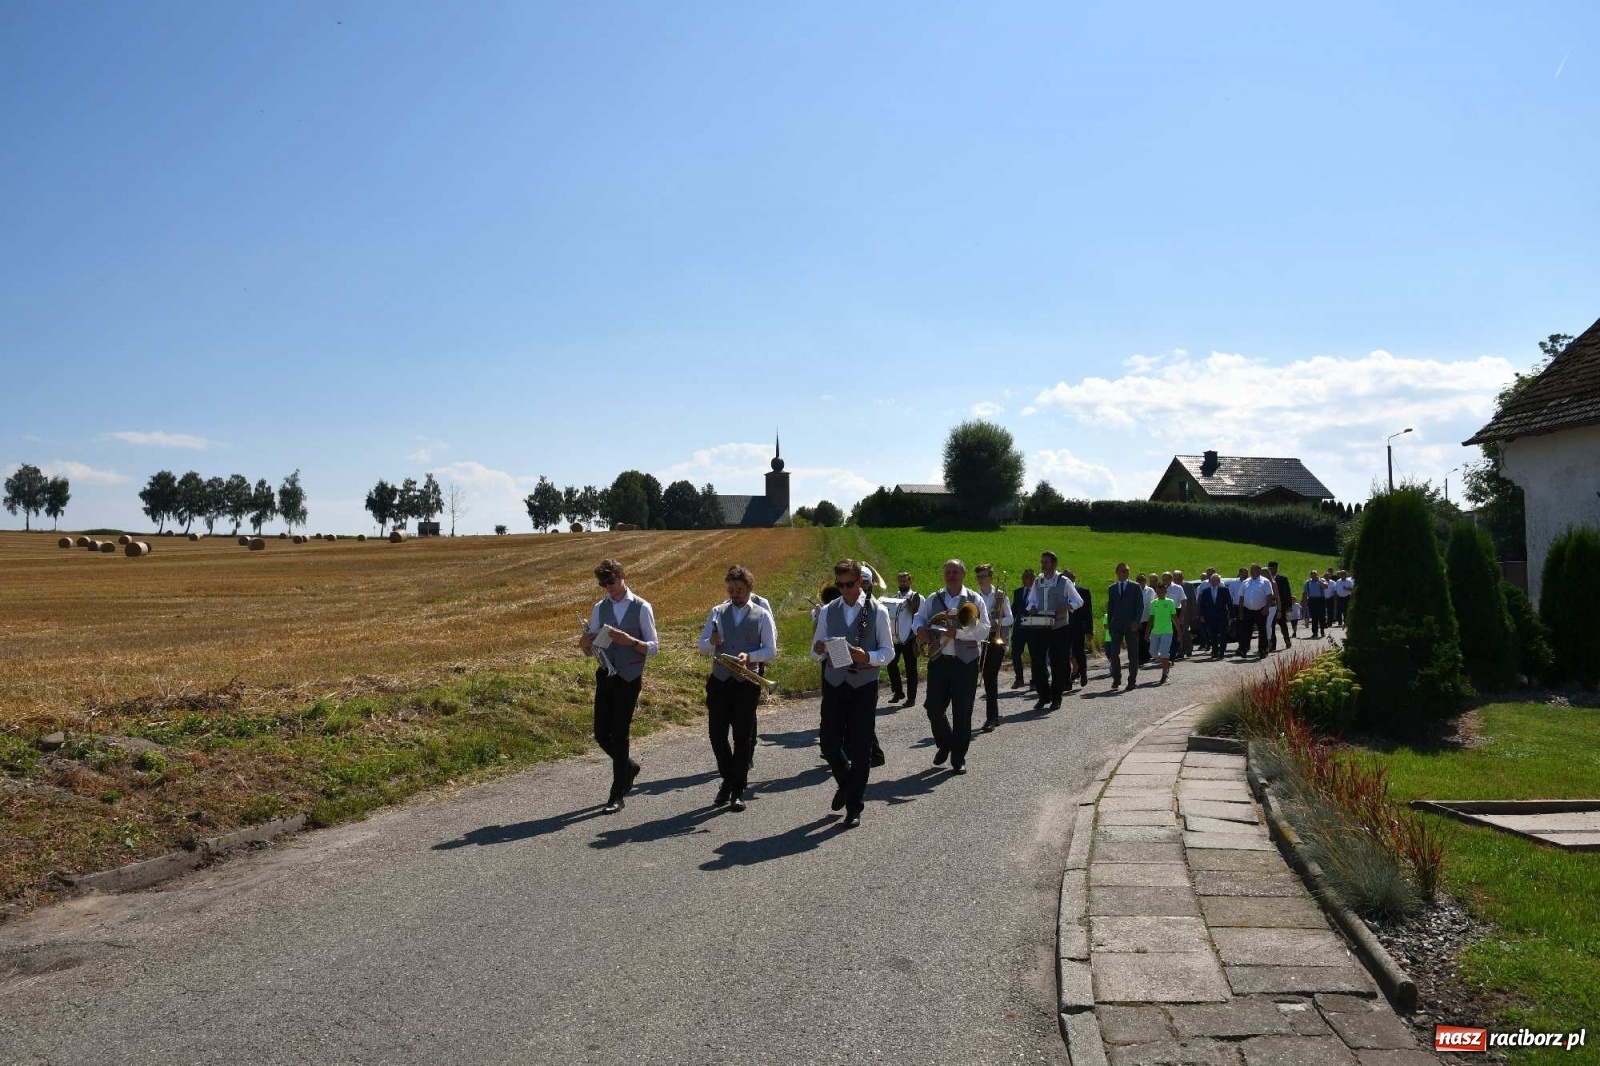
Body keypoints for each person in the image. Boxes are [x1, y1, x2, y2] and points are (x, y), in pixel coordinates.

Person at [809, 559, 894, 829]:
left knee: (860, 747)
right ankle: (847, 783)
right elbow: (814, 651)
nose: (844, 590)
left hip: (864, 685)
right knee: (828, 744)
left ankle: (854, 806)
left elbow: (888, 653)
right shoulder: (828, 611)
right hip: (834, 682)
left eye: (849, 584)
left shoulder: (878, 611)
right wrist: (819, 649)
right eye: (840, 585)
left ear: (860, 582)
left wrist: (866, 656)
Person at [579, 558, 660, 813]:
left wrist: (630, 641)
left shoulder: (642, 607)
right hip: (606, 674)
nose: (608, 587)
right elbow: (592, 648)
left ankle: (617, 793)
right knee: (601, 734)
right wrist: (584, 645)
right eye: (603, 584)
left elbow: (654, 647)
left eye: (611, 581)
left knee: (619, 733)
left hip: (630, 676)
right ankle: (629, 767)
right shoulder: (599, 608)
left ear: (623, 575)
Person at [697, 564, 777, 811]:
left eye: (739, 590)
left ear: (749, 589)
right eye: (731, 590)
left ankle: (737, 790)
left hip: (747, 683)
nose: (734, 595)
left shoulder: (761, 614)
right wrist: (711, 642)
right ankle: (728, 778)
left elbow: (771, 651)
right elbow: (703, 647)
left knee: (742, 737)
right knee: (716, 735)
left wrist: (750, 656)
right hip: (720, 681)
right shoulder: (717, 612)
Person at [913, 559, 989, 773]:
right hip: (939, 661)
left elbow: (983, 629)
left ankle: (958, 757)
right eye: (948, 572)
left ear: (963, 574)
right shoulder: (933, 598)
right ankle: (945, 743)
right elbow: (918, 618)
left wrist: (959, 634)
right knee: (933, 708)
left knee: (962, 712)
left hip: (966, 663)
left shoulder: (974, 599)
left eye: (955, 571)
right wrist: (920, 629)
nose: (951, 575)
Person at [1026, 551, 1084, 709]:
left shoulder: (1064, 581)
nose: (1043, 565)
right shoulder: (1038, 581)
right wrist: (1032, 607)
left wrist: (1067, 606)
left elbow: (1078, 601)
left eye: (1046, 562)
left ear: (1054, 564)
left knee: (1058, 663)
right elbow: (1031, 600)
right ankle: (1043, 696)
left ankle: (1056, 697)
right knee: (1037, 662)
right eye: (1042, 562)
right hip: (1040, 626)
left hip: (1059, 627)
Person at [974, 563, 1012, 732]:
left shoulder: (1000, 595)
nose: (980, 579)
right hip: (979, 640)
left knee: (990, 677)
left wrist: (997, 622)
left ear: (991, 577)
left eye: (983, 576)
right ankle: (993, 717)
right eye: (978, 577)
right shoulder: (974, 597)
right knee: (985, 676)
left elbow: (1010, 618)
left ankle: (991, 717)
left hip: (996, 640)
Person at [1105, 563, 1145, 691]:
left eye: (1127, 570)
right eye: (1123, 571)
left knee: (1132, 654)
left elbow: (1140, 605)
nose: (1126, 572)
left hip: (1131, 624)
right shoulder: (1112, 588)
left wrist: (1136, 621)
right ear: (1117, 573)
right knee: (1114, 653)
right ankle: (1116, 678)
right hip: (1116, 625)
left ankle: (1132, 681)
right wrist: (1110, 624)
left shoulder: (1135, 586)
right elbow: (1110, 608)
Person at [887, 571, 922, 706]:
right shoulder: (894, 598)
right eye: (900, 581)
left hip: (910, 638)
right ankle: (898, 692)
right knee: (891, 664)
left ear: (910, 582)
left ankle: (911, 698)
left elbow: (922, 617)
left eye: (905, 580)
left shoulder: (917, 598)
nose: (902, 583)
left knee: (911, 669)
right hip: (896, 639)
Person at [1236, 564, 1276, 660]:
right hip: (1248, 610)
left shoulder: (1265, 581)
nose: (1253, 572)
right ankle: (1244, 649)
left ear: (1259, 571)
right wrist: (1240, 611)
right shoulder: (1245, 582)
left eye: (1255, 570)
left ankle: (1262, 650)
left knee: (1262, 631)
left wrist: (1266, 608)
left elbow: (1269, 595)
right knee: (1246, 631)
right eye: (1251, 570)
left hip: (1261, 610)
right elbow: (1241, 597)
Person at [1146, 579, 1179, 684]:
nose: (1160, 593)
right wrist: (1147, 631)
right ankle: (1166, 663)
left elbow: (1174, 617)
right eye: (1159, 592)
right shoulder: (1153, 603)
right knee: (1153, 652)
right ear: (1156, 592)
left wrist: (1179, 630)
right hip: (1155, 631)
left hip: (1167, 631)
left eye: (1162, 591)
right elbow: (1151, 618)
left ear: (1166, 592)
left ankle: (1164, 674)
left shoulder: (1170, 602)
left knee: (1164, 653)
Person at [1066, 568, 1093, 689]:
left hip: (1078, 628)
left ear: (1073, 578)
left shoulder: (1083, 591)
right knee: (1064, 654)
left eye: (1068, 577)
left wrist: (1089, 630)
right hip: (1063, 627)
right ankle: (1067, 680)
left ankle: (1083, 673)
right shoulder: (1060, 591)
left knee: (1079, 652)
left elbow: (1088, 612)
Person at [1197, 572, 1233, 660]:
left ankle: (1222, 651)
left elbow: (1229, 603)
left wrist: (1231, 615)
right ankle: (1215, 651)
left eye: (1215, 580)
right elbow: (1202, 604)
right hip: (1210, 617)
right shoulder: (1206, 591)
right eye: (1212, 580)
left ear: (1219, 581)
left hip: (1222, 616)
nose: (1213, 582)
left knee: (1223, 635)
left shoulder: (1224, 590)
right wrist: (1201, 615)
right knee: (1213, 635)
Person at [1010, 569, 1035, 689]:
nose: (1025, 579)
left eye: (1028, 577)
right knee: (1015, 654)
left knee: (1034, 655)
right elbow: (1014, 610)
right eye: (1024, 577)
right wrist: (1009, 625)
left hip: (1033, 629)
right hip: (1019, 629)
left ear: (1033, 579)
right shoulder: (1018, 592)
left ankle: (1035, 680)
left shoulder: (1038, 593)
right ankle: (1019, 678)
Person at [1268, 561, 1294, 652]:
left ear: (1276, 568)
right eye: (1269, 569)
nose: (1271, 570)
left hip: (1281, 605)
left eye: (1272, 569)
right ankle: (1273, 644)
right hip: (1270, 605)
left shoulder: (1282, 579)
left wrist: (1289, 605)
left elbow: (1287, 592)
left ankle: (1287, 640)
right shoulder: (1266, 579)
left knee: (1282, 623)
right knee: (1271, 625)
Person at [1169, 569, 1190, 660]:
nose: (1176, 580)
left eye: (1178, 578)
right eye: (1175, 578)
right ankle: (1179, 651)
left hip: (1183, 613)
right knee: (1175, 634)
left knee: (1185, 632)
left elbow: (1191, 600)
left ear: (1182, 578)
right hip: (1171, 614)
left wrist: (1192, 613)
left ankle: (1188, 649)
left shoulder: (1187, 586)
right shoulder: (1166, 588)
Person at [1302, 568, 1326, 639]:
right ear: (1310, 576)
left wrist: (1319, 581)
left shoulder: (1321, 580)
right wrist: (1304, 602)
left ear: (1317, 574)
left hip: (1320, 599)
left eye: (1315, 574)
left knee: (1322, 616)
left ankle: (1322, 631)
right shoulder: (1307, 582)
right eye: (1312, 575)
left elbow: (1325, 587)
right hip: (1312, 600)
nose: (1314, 576)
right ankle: (1315, 633)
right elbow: (1305, 592)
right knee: (1314, 617)